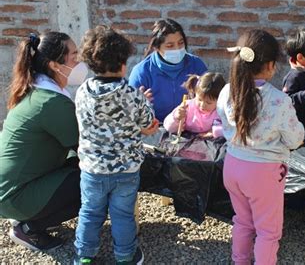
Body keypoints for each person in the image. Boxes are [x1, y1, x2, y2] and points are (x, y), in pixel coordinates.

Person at [217, 29, 305, 264]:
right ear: (269, 65)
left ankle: (240, 261)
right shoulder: (279, 100)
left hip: (233, 164)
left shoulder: (227, 91)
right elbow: (295, 139)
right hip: (263, 173)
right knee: (268, 231)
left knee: (242, 220)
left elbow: (222, 121)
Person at [73, 26, 158, 264]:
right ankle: (125, 256)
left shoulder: (82, 92)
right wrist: (146, 111)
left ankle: (84, 256)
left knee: (90, 213)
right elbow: (147, 124)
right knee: (122, 215)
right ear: (123, 63)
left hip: (92, 169)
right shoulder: (132, 95)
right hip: (126, 169)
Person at [0, 32, 88, 251]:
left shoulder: (36, 90)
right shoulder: (51, 102)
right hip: (14, 195)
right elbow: (86, 149)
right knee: (96, 182)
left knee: (77, 164)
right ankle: (30, 227)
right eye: (74, 56)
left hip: (11, 187)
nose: (79, 62)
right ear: (55, 65)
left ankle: (29, 215)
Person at [129, 18, 208, 122]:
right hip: (154, 129)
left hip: (192, 127)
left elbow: (213, 98)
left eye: (180, 43)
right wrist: (139, 105)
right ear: (157, 47)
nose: (177, 49)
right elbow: (130, 113)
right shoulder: (141, 72)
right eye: (170, 46)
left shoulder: (196, 65)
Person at [163, 72, 226, 138]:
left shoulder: (220, 112)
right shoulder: (187, 107)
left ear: (220, 100)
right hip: (186, 142)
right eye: (199, 100)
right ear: (195, 93)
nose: (202, 105)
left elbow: (229, 130)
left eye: (208, 103)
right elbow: (168, 128)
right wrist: (176, 117)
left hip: (210, 145)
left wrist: (213, 132)